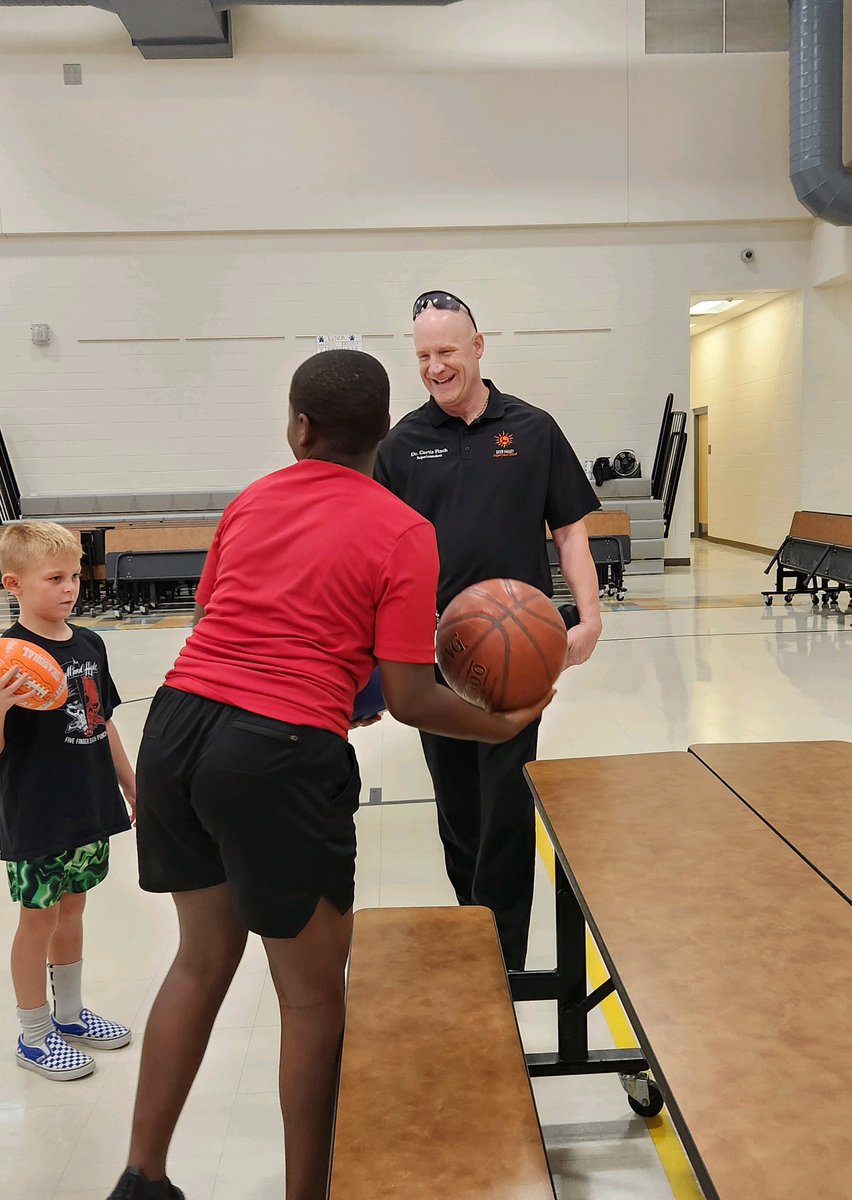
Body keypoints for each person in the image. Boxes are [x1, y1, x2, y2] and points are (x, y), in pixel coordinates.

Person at [106, 350, 552, 1200]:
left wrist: (331, 687)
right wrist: (503, 723)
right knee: (310, 1000)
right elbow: (412, 697)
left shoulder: (251, 499)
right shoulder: (404, 529)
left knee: (199, 961)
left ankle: (142, 1176)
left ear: (300, 427)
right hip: (274, 756)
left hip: (177, 725)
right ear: (383, 433)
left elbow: (225, 620)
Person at [375, 290, 601, 971]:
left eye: (447, 351)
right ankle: (474, 927)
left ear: (478, 347)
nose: (435, 368)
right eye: (423, 356)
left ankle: (504, 956)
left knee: (505, 806)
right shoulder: (401, 444)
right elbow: (378, 550)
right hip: (434, 655)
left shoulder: (533, 429)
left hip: (517, 653)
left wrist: (589, 615)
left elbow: (570, 531)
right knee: (457, 807)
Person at [0, 521, 135, 1082]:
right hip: (37, 812)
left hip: (87, 803)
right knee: (38, 921)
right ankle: (33, 1036)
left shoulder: (90, 643)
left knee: (73, 910)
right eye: (54, 578)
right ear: (14, 584)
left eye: (74, 576)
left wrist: (132, 785)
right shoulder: (7, 657)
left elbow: (102, 722)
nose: (69, 588)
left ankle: (70, 1015)